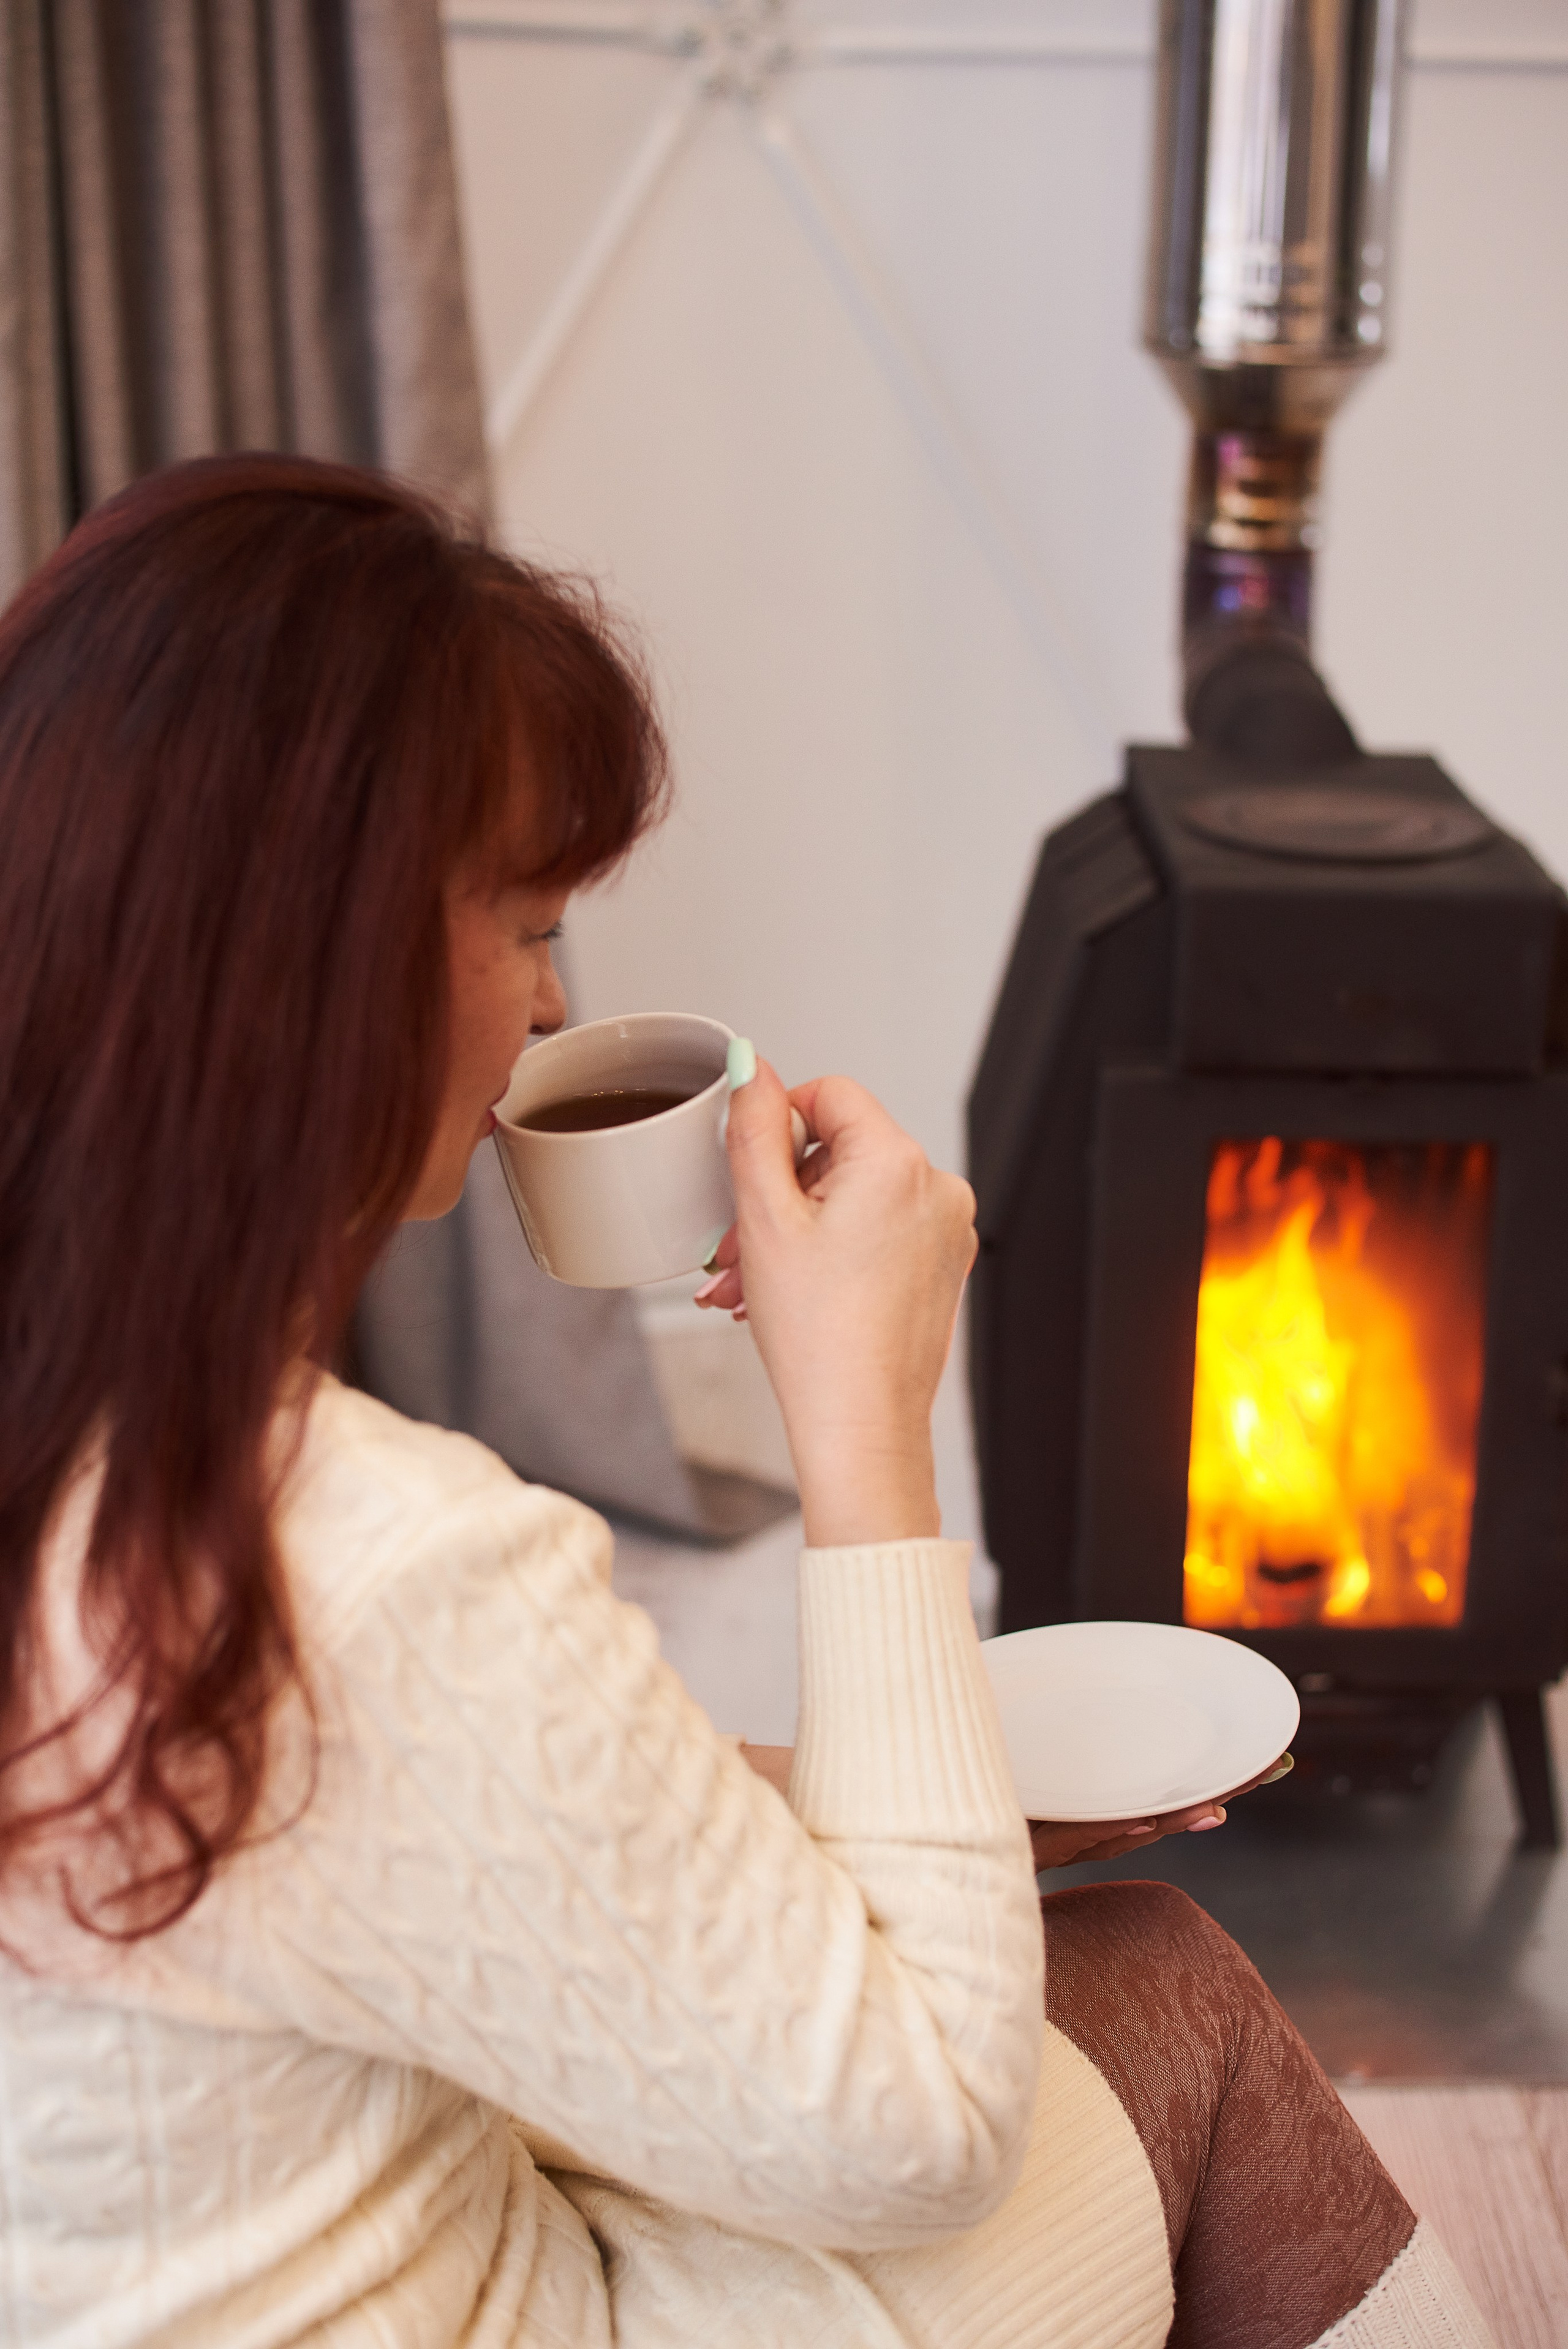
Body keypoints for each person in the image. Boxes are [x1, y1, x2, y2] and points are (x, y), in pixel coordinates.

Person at [0, 456, 1493, 2349]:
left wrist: (901, 1797)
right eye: (528, 921)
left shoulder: (96, 1444)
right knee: (1177, 1993)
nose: (549, 1013)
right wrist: (861, 1405)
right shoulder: (379, 1567)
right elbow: (929, 2127)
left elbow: (418, 1833)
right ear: (323, 953)